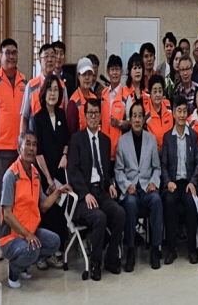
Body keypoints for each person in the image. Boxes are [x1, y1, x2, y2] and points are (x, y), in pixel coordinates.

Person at [0, 131, 71, 288]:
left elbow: (43, 206)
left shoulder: (35, 173)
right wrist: (27, 235)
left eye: (34, 144)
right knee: (32, 249)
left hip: (30, 231)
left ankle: (24, 264)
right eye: (27, 144)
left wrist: (58, 191)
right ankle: (14, 270)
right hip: (11, 237)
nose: (31, 148)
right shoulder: (11, 175)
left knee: (54, 242)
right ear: (19, 148)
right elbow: (7, 215)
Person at [67, 99, 125, 280]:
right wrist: (85, 194)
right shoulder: (77, 139)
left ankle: (111, 258)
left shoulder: (105, 141)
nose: (93, 116)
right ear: (85, 116)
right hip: (83, 196)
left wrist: (110, 184)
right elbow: (73, 171)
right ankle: (95, 263)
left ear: (100, 116)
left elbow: (105, 171)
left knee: (119, 213)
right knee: (99, 217)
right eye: (90, 113)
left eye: (96, 113)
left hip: (101, 191)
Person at [0, 38, 26, 261]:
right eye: (7, 53)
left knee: (17, 198)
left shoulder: (24, 82)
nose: (11, 56)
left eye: (14, 52)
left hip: (19, 152)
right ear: (0, 55)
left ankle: (14, 237)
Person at [114, 101, 162, 271]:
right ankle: (131, 249)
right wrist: (127, 185)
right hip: (131, 188)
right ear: (129, 118)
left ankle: (155, 248)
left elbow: (157, 167)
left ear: (143, 119)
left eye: (140, 116)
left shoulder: (151, 139)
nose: (136, 119)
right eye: (134, 116)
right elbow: (118, 170)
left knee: (157, 200)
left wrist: (154, 182)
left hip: (147, 187)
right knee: (130, 203)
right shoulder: (122, 141)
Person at [31, 75, 69, 269]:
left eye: (56, 90)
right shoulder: (37, 118)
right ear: (44, 92)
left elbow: (67, 141)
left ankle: (58, 251)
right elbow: (38, 153)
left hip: (60, 173)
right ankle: (42, 255)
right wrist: (48, 178)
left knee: (59, 212)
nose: (53, 93)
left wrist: (65, 155)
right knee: (46, 212)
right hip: (45, 175)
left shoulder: (62, 114)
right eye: (50, 89)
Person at [161, 96, 198, 265]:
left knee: (191, 204)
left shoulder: (193, 136)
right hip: (173, 183)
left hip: (188, 182)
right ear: (174, 114)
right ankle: (171, 249)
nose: (182, 115)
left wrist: (193, 182)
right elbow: (163, 165)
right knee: (169, 203)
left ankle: (192, 250)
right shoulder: (167, 137)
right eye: (179, 111)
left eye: (185, 111)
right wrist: (168, 182)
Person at [20, 43, 67, 133]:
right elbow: (24, 116)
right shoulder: (31, 85)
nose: (49, 60)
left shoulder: (62, 86)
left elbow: (65, 115)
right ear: (39, 60)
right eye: (46, 56)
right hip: (35, 136)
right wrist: (22, 137)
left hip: (56, 136)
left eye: (52, 56)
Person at [100, 55, 125, 164]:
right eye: (112, 69)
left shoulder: (127, 95)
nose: (115, 73)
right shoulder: (103, 94)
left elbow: (131, 122)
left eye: (117, 69)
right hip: (104, 149)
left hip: (120, 151)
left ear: (121, 72)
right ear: (107, 72)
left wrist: (119, 123)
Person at [66, 57, 97, 135]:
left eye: (89, 74)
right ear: (78, 76)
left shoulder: (94, 98)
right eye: (84, 74)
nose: (87, 78)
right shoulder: (73, 102)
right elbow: (72, 133)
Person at [144, 75, 174, 151]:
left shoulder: (169, 106)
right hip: (153, 151)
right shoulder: (145, 111)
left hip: (170, 149)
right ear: (150, 93)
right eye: (155, 91)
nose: (157, 94)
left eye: (160, 91)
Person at [123, 53, 146, 120]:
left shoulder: (147, 92)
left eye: (139, 68)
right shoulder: (123, 92)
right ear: (129, 71)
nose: (138, 71)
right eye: (135, 68)